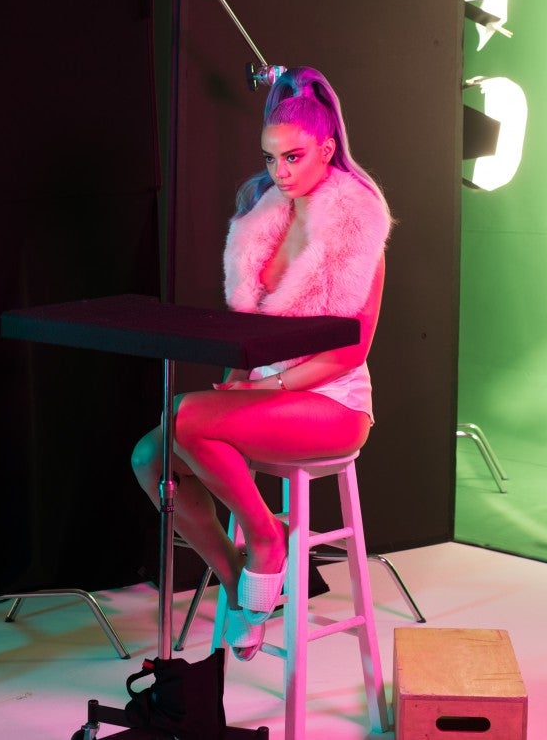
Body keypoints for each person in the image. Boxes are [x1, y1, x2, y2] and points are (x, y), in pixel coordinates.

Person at [131, 66, 392, 660]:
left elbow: (349, 352)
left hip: (332, 401)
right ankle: (235, 573)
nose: (281, 172)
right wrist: (237, 384)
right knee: (149, 458)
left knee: (184, 416)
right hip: (266, 391)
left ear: (327, 149)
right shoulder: (263, 218)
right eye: (271, 159)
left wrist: (265, 387)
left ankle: (268, 541)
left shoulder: (356, 230)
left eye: (294, 157)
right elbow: (249, 334)